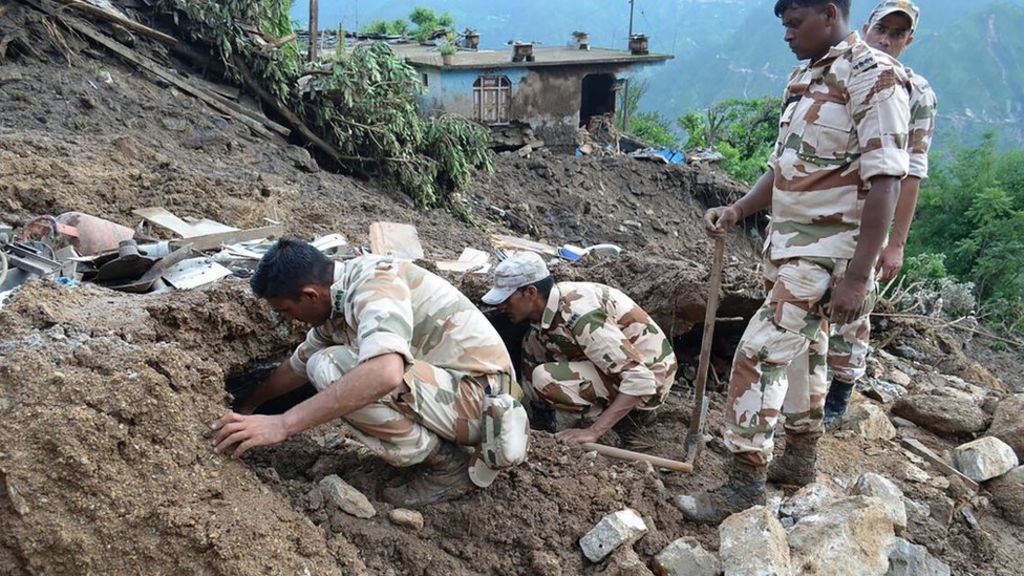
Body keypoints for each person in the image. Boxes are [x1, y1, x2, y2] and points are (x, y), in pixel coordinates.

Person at [677, 0, 911, 523]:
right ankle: (800, 460)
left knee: (758, 354)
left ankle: (743, 485)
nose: (786, 35)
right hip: (789, 248)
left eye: (793, 23)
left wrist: (857, 277)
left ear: (830, 14)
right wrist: (738, 208)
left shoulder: (875, 77)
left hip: (830, 256)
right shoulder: (807, 74)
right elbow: (786, 168)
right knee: (803, 355)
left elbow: (887, 181)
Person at [210, 237, 518, 508]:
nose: (290, 320)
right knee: (319, 361)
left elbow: (386, 374)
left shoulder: (374, 285)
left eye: (287, 311)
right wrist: (251, 403)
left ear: (310, 295)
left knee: (331, 366)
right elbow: (297, 364)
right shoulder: (335, 302)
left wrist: (283, 424)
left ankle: (447, 465)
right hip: (453, 394)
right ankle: (438, 450)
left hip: (485, 405)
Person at [820, 0, 937, 428]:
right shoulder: (838, 70)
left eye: (897, 33)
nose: (885, 38)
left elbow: (911, 174)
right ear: (866, 27)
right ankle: (804, 390)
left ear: (908, 41)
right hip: (821, 216)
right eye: (881, 28)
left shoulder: (915, 92)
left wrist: (895, 245)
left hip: (865, 222)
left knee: (853, 312)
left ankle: (839, 395)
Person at [482, 251, 677, 445]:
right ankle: (540, 416)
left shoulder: (580, 316)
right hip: (621, 367)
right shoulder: (547, 309)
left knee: (545, 378)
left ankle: (607, 421)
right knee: (533, 344)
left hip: (650, 380)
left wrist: (593, 431)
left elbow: (640, 379)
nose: (501, 306)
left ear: (531, 293)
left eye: (507, 299)